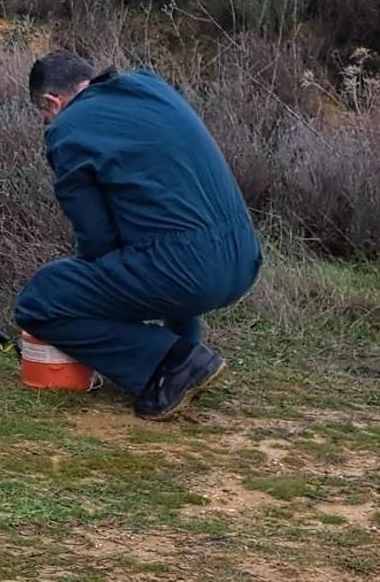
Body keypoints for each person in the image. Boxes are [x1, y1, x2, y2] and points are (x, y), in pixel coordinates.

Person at [15, 51, 262, 420]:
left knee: (42, 297)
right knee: (161, 240)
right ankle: (184, 351)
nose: (48, 123)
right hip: (243, 259)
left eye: (44, 115)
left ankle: (175, 363)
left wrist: (90, 295)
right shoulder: (152, 88)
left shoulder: (68, 129)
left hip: (189, 271)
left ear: (53, 102)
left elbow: (97, 240)